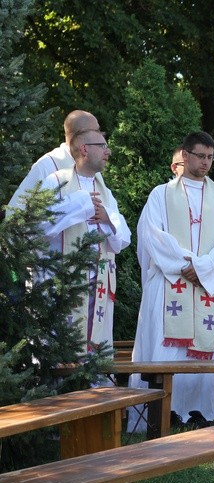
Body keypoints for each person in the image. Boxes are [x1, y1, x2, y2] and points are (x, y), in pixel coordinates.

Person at [130, 131, 214, 428]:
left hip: (205, 287)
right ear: (185, 156)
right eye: (200, 156)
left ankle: (200, 411)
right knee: (167, 347)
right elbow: (151, 237)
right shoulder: (161, 194)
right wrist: (184, 265)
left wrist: (201, 269)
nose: (205, 162)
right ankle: (164, 411)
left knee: (204, 350)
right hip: (169, 285)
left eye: (210, 157)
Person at [39, 128, 130, 354]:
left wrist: (108, 217)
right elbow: (39, 225)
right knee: (63, 347)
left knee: (95, 349)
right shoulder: (55, 181)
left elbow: (124, 239)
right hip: (64, 281)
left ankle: (95, 386)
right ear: (84, 149)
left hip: (99, 282)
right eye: (103, 146)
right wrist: (81, 203)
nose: (108, 152)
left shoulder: (105, 191)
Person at [8, 110, 100, 215]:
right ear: (81, 134)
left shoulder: (92, 164)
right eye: (96, 131)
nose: (100, 136)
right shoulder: (47, 165)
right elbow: (15, 212)